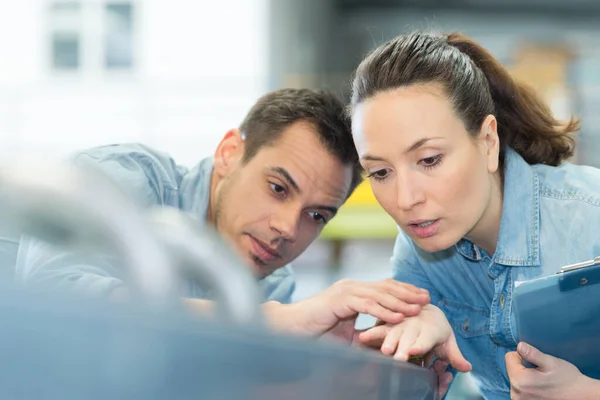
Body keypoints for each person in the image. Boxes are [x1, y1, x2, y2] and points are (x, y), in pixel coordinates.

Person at [15, 88, 430, 342]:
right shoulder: (126, 181)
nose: (287, 229)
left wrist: (341, 372)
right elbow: (56, 295)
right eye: (277, 188)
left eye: (317, 216)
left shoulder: (270, 283)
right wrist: (266, 323)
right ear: (229, 153)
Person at [348, 31, 600, 399]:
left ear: (488, 142)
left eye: (429, 160)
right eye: (381, 173)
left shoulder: (590, 220)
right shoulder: (418, 257)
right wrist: (417, 362)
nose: (405, 200)